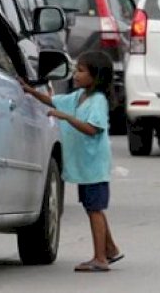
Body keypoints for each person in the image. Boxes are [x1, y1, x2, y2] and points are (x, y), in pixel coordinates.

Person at [21, 51, 123, 272]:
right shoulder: (78, 97)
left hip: (94, 167)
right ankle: (111, 249)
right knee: (92, 208)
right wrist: (30, 91)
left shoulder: (97, 101)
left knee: (94, 210)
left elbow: (92, 128)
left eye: (81, 70)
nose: (75, 74)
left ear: (96, 76)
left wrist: (67, 117)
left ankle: (100, 258)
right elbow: (54, 100)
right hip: (85, 167)